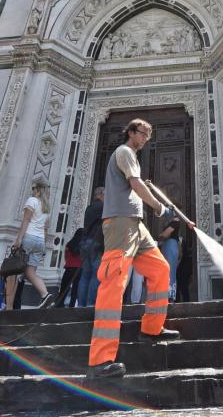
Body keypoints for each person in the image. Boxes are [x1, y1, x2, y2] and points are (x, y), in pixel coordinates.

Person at [88, 118, 180, 379]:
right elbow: (137, 185)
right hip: (119, 223)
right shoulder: (124, 152)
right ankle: (100, 360)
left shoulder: (132, 155)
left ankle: (151, 328)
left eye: (149, 134)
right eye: (143, 132)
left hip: (135, 226)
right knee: (114, 281)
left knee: (160, 269)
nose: (146, 138)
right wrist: (159, 208)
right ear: (130, 132)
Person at [9, 178, 54, 309]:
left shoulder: (32, 201)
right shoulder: (47, 207)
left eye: (34, 188)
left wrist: (18, 239)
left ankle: (9, 307)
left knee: (15, 272)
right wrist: (44, 246)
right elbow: (46, 228)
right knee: (30, 272)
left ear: (38, 190)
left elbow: (26, 221)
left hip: (29, 237)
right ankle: (45, 295)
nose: (32, 190)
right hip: (39, 242)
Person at [77, 187, 105, 307]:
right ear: (100, 194)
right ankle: (90, 304)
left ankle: (81, 305)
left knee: (85, 275)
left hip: (85, 243)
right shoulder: (102, 206)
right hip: (95, 243)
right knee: (95, 274)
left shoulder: (89, 207)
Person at [54, 229, 83, 308]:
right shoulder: (82, 246)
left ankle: (59, 304)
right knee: (75, 289)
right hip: (78, 270)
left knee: (64, 288)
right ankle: (72, 305)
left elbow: (65, 257)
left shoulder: (68, 244)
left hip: (68, 268)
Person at [157, 216, 180, 303]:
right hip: (166, 246)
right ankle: (165, 295)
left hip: (171, 245)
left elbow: (166, 233)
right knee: (165, 271)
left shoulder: (176, 220)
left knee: (170, 271)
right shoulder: (168, 221)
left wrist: (161, 235)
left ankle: (170, 296)